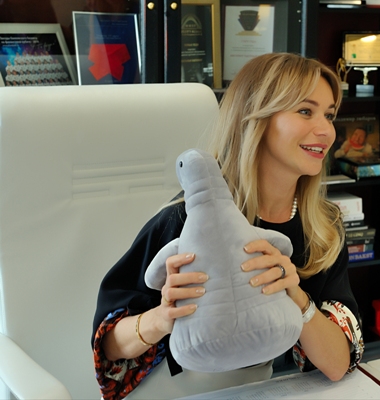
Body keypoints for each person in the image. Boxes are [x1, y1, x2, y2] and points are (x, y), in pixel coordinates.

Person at [92, 52, 364, 400]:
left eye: (329, 114)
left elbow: (337, 365)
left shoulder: (323, 229)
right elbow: (109, 348)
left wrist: (296, 296)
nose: (327, 130)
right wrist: (162, 316)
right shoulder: (187, 218)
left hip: (259, 390)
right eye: (305, 111)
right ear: (256, 118)